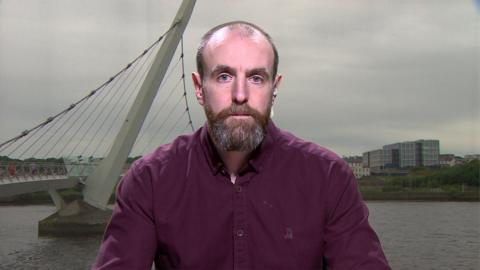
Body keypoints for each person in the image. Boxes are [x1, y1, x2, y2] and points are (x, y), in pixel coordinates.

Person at [93, 21, 390, 270]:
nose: (240, 94)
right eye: (224, 76)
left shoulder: (328, 177)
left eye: (256, 78)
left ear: (274, 89)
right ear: (199, 89)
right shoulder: (149, 180)